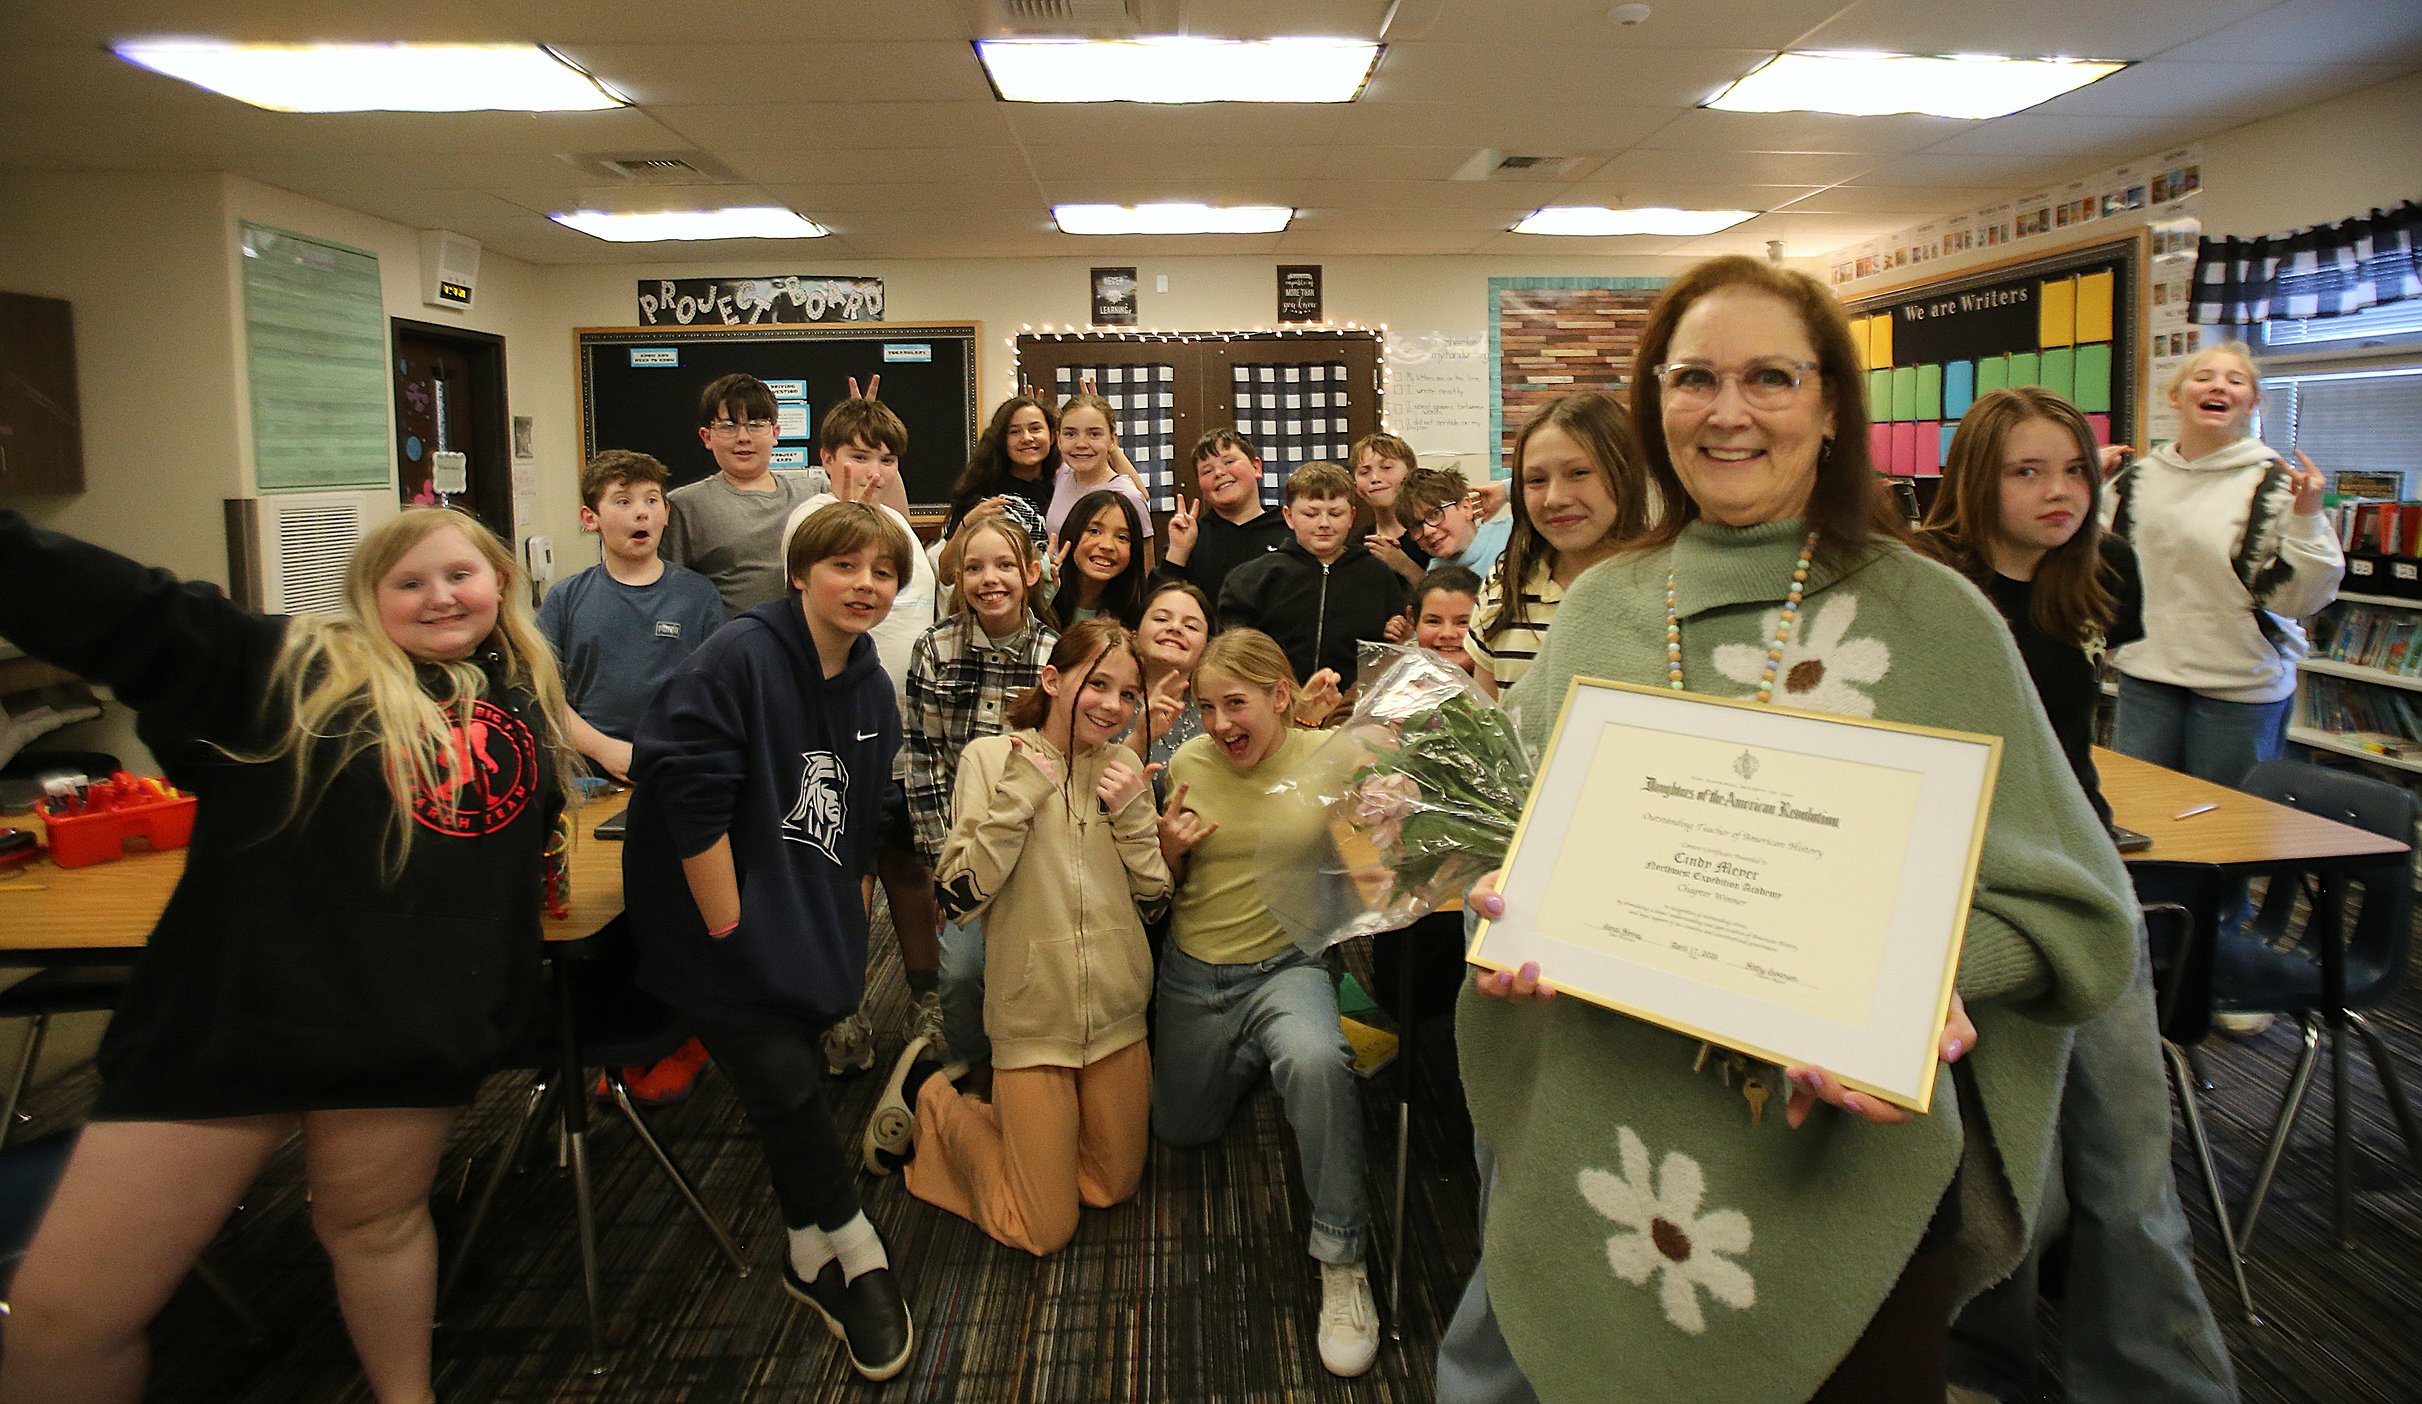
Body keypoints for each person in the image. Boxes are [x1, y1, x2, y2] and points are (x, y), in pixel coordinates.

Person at [1437, 255, 2138, 1404]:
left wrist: (1917, 975)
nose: (1728, 412)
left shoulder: (1932, 617)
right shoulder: (1604, 607)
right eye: (1693, 378)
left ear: (1830, 408)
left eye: (1769, 377)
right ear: (1654, 404)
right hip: (1618, 1149)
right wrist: (1509, 903)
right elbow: (1513, 833)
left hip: (1845, 1173)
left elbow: (2075, 915)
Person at [0, 506, 574, 1404]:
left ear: (499, 582)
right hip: (237, 1028)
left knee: (378, 1228)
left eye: (459, 575)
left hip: (400, 1038)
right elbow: (132, 611)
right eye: (409, 582)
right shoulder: (292, 672)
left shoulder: (516, 694)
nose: (439, 597)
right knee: (60, 1323)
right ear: (367, 597)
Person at [1919, 389, 2236, 1404]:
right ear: (1977, 479)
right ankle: (1979, 1375)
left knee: (2130, 1174)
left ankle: (2157, 1382)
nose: (2059, 493)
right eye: (2027, 472)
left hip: (2087, 885)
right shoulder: (1928, 588)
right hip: (1972, 903)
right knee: (2008, 1178)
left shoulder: (2099, 573)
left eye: (2074, 471)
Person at [622, 502, 918, 1382]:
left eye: (883, 572)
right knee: (786, 1083)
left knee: (791, 1080)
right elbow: (691, 801)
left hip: (797, 914)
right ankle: (856, 1248)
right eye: (844, 566)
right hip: (711, 918)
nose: (865, 585)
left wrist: (838, 929)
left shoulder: (869, 685)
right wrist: (730, 933)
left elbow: (858, 823)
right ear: (798, 573)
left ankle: (803, 1247)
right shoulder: (740, 656)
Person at [1152, 628, 1380, 1378]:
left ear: (1280, 697)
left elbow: (1378, 852)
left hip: (1287, 966)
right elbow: (1165, 878)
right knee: (1181, 1130)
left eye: (1236, 704)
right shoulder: (1188, 762)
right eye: (1206, 707)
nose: (1219, 724)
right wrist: (1171, 850)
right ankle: (1255, 1050)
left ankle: (1342, 1258)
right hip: (1194, 972)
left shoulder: (1328, 757)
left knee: (1318, 1061)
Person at [904, 620, 1171, 1253]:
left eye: (1128, 694)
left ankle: (1037, 1138)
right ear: (1052, 681)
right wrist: (1017, 799)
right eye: (1097, 684)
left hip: (1116, 1012)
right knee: (1043, 1227)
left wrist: (1135, 818)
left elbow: (1155, 902)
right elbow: (959, 897)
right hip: (1032, 1018)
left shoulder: (1124, 766)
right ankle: (937, 1100)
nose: (1113, 705)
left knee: (1109, 1186)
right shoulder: (991, 759)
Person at [539, 448, 727, 1104]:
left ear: (666, 512)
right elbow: (544, 694)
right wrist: (609, 751)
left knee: (669, 914)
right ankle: (604, 1037)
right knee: (591, 915)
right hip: (589, 782)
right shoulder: (567, 598)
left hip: (674, 780)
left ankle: (679, 1038)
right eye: (622, 501)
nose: (640, 513)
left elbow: (715, 693)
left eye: (650, 500)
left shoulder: (696, 596)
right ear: (591, 517)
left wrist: (665, 757)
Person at [781, 394, 944, 1079]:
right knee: (845, 874)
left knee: (909, 869)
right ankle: (843, 1004)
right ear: (826, 459)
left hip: (907, 734)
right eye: (857, 456)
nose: (872, 470)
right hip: (837, 734)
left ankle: (927, 999)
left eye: (885, 458)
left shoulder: (898, 529)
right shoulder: (812, 521)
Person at [2102, 340, 2341, 791]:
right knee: (2139, 810)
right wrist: (2084, 484)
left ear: (2253, 403)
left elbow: (2304, 597)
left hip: (2241, 684)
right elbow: (2086, 560)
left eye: (2236, 381)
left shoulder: (2276, 483)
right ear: (2176, 396)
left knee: (2226, 820)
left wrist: (2308, 516)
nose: (2219, 387)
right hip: (2148, 674)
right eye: (2204, 377)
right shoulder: (2135, 481)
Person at [898, 511, 1057, 1080]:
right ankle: (973, 1070)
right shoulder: (934, 648)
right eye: (974, 568)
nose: (990, 579)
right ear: (958, 577)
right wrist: (945, 867)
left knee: (1034, 969)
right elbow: (921, 759)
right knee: (962, 978)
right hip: (961, 847)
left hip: (1032, 844)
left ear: (1031, 573)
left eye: (1004, 565)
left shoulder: (1054, 655)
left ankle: (1034, 1068)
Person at [1464, 392, 1656, 697]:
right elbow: (1486, 715)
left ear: (1625, 473)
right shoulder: (1504, 584)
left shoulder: (1665, 588)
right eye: (1536, 480)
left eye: (1579, 473)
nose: (1555, 499)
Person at [1218, 461, 1406, 693]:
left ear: (1351, 516)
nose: (1324, 524)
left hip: (1352, 704)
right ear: (1288, 516)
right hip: (1276, 702)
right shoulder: (1252, 578)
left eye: (1335, 513)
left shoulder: (1378, 575)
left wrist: (1398, 633)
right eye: (1311, 514)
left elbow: (1393, 646)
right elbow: (1233, 654)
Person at [664, 372, 823, 615]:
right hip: (730, 636)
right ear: (706, 436)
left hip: (807, 635)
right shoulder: (684, 506)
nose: (743, 438)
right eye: (728, 426)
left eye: (756, 425)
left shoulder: (814, 493)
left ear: (775, 433)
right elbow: (667, 592)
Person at [1158, 428, 1290, 607]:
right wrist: (1178, 551)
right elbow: (1161, 604)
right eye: (1207, 471)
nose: (1219, 473)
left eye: (1229, 461)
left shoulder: (1290, 528)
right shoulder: (1193, 537)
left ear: (1256, 467)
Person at [1044, 391, 1154, 552]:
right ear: (1059, 439)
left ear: (1112, 440)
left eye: (1094, 434)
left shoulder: (1128, 496)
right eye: (1070, 434)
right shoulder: (1062, 474)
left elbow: (1145, 563)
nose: (1081, 444)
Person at [1125, 578, 1213, 776]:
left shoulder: (1214, 713)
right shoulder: (1107, 702)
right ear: (1133, 635)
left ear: (1207, 647)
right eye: (1161, 619)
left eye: (1191, 626)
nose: (1175, 628)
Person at [944, 394, 1059, 539]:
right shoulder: (980, 494)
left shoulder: (1063, 488)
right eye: (1015, 432)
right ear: (1002, 439)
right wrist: (966, 524)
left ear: (1052, 436)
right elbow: (948, 554)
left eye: (1035, 429)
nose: (1026, 438)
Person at [1050, 488, 1151, 628]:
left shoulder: (1140, 615)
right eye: (1094, 531)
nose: (1107, 545)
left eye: (1122, 537)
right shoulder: (1040, 595)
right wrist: (1039, 599)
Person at [1398, 465, 1513, 577]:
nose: (1428, 531)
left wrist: (1505, 490)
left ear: (1465, 507)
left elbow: (1525, 484)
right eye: (1416, 526)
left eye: (1435, 514)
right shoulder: (1437, 576)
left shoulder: (1511, 534)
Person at [1350, 430, 1432, 585]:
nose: (1375, 478)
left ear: (1410, 473)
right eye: (1364, 472)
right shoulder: (1357, 546)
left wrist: (1405, 566)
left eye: (1386, 467)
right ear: (1357, 488)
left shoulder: (1432, 533)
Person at [1390, 563, 1483, 674]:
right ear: (1412, 619)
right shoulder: (1395, 678)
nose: (1447, 634)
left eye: (1463, 622)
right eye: (1433, 621)